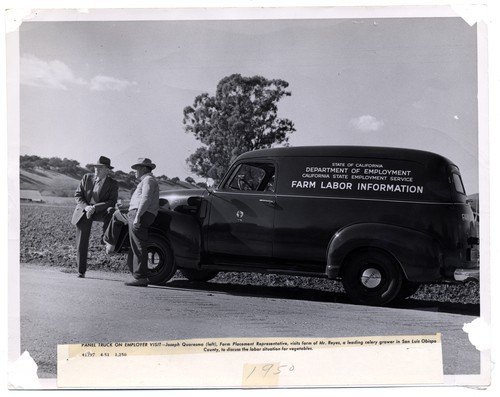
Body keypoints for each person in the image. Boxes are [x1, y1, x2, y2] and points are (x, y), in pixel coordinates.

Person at [71, 156, 118, 278]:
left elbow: (111, 201)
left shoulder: (113, 183)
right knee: (82, 241)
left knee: (111, 211)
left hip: (100, 210)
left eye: (101, 168)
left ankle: (106, 238)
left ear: (107, 170)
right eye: (96, 167)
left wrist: (95, 208)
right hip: (85, 210)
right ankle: (81, 271)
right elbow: (78, 195)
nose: (97, 170)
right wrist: (87, 207)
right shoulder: (87, 177)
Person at [115, 157, 159, 287]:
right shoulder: (147, 180)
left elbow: (146, 199)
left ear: (145, 168)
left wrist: (138, 216)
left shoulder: (148, 180)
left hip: (140, 214)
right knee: (136, 245)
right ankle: (137, 274)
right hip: (138, 213)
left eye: (137, 168)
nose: (135, 171)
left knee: (138, 245)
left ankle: (140, 277)